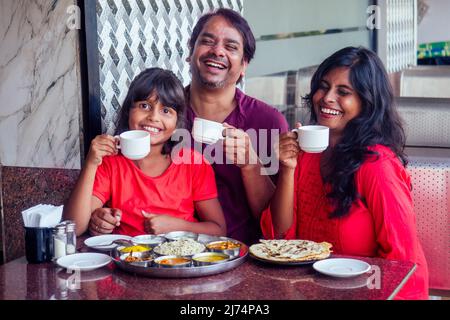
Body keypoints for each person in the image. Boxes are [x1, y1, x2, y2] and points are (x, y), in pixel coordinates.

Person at [261, 47, 429, 300]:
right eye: (324, 86)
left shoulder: (376, 165)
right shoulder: (307, 152)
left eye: (343, 92)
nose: (327, 98)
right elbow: (282, 241)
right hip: (311, 292)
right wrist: (287, 168)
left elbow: (401, 263)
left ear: (366, 102)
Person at [63, 67, 226, 237]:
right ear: (128, 112)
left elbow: (218, 230)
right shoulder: (110, 163)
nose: (153, 117)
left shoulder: (194, 163)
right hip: (128, 259)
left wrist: (178, 226)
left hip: (181, 260)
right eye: (144, 105)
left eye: (166, 111)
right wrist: (91, 163)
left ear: (177, 122)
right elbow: (73, 228)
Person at [184, 8, 289, 245]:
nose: (217, 51)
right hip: (170, 256)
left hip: (247, 259)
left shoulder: (268, 122)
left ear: (244, 65)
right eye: (207, 41)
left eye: (231, 47)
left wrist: (251, 164)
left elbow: (279, 226)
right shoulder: (161, 114)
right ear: (190, 52)